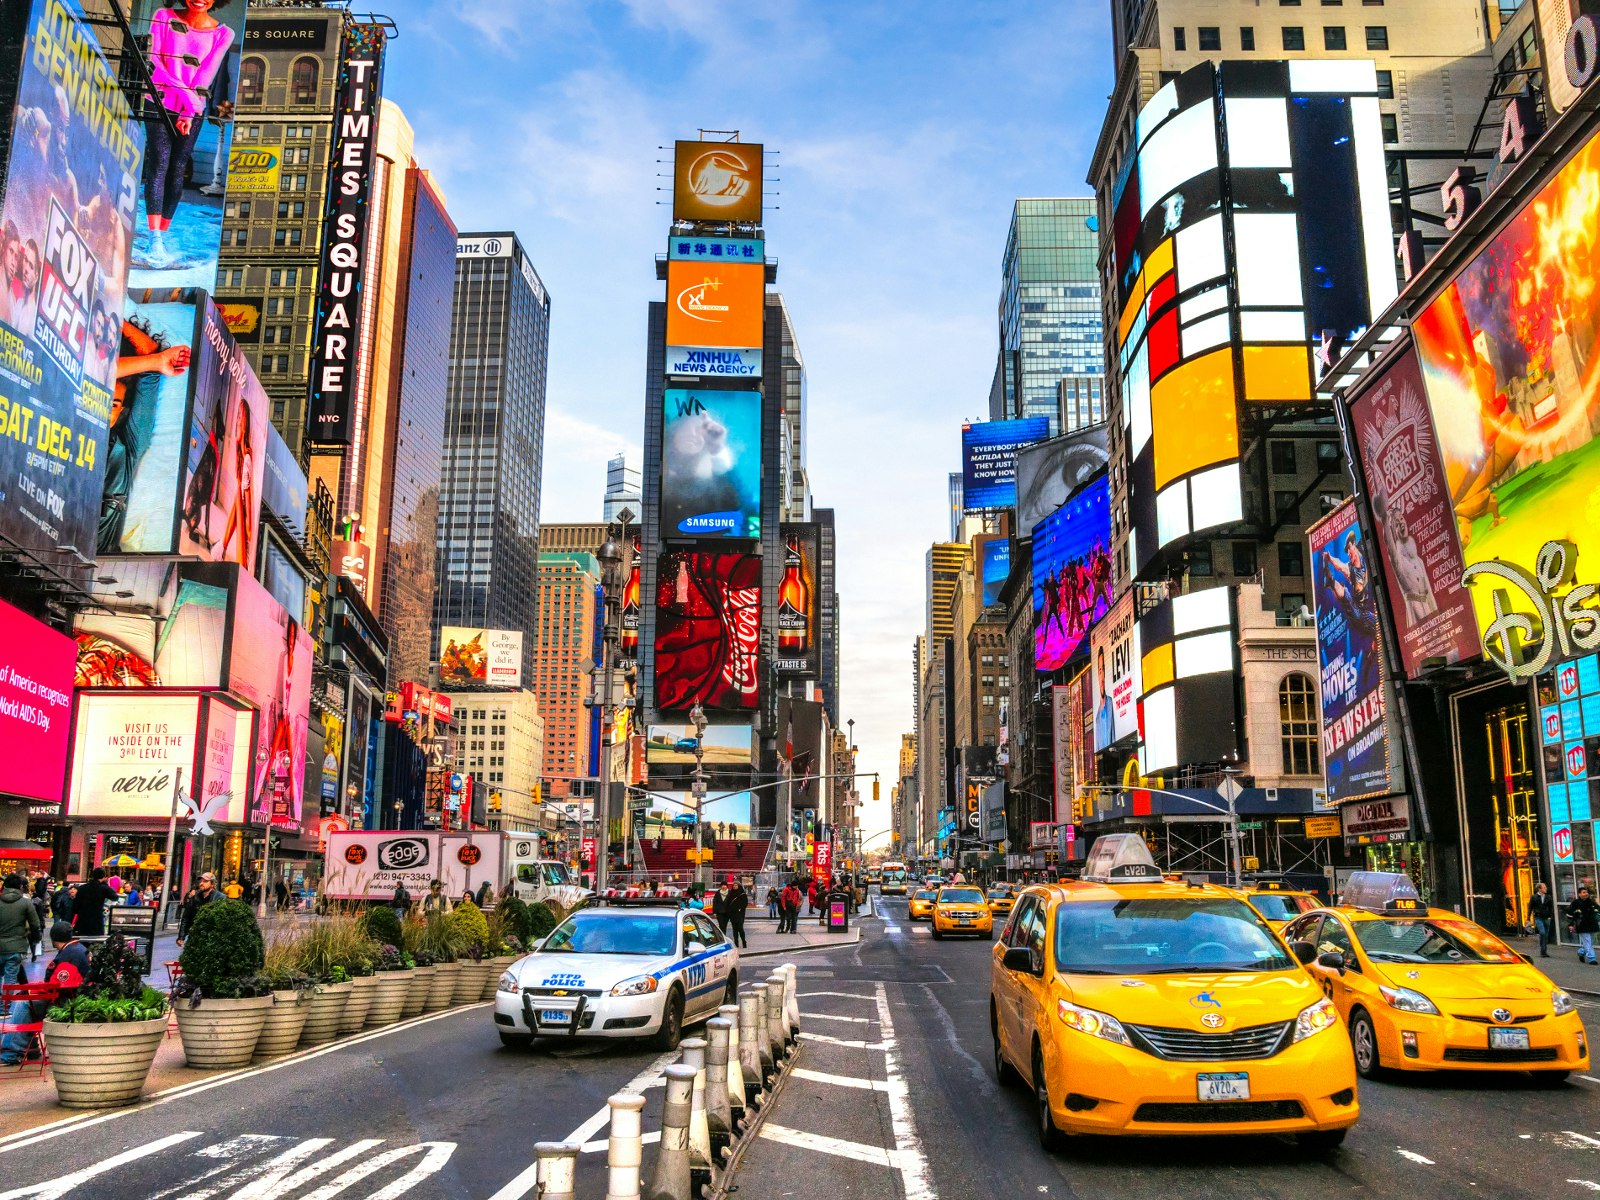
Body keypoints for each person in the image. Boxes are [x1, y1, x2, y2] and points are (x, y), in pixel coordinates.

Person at [140, 0, 236, 269]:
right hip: (158, 101)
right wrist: (187, 100)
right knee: (159, 162)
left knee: (178, 167)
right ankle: (154, 237)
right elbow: (155, 63)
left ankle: (164, 232)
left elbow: (206, 75)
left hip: (191, 109)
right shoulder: (163, 16)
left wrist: (189, 112)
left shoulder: (223, 33)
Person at [0, 922, 88, 1066]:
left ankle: (11, 1053)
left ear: (53, 939)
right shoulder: (77, 949)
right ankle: (31, 1047)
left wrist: (32, 991)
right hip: (73, 997)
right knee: (26, 999)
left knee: (23, 1003)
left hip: (67, 1002)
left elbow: (57, 986)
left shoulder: (70, 955)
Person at [0, 875, 41, 988]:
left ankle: (1, 1005)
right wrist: (36, 939)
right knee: (10, 980)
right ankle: (6, 1004)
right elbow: (35, 924)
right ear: (21, 886)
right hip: (16, 947)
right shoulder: (26, 903)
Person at [177, 872, 222, 947]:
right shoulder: (195, 897)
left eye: (205, 881)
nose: (201, 883)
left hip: (212, 939)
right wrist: (181, 937)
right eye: (201, 881)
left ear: (212, 884)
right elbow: (186, 918)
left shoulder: (220, 898)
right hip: (195, 936)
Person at [70, 869, 118, 938]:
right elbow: (115, 897)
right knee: (96, 941)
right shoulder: (103, 888)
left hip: (82, 920)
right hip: (96, 919)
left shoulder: (82, 888)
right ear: (103, 877)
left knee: (83, 941)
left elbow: (75, 906)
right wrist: (105, 884)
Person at [1570, 886, 1600, 965]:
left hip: (1592, 925)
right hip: (1582, 925)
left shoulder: (1591, 902)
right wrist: (1571, 924)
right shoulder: (1575, 903)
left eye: (1586, 892)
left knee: (1591, 941)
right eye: (1583, 892)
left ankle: (1581, 951)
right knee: (1587, 941)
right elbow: (1570, 914)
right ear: (1579, 894)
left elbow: (1598, 910)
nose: (1586, 894)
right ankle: (1592, 958)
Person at [1531, 882, 1555, 958]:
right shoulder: (1534, 897)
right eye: (1544, 888)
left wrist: (1551, 916)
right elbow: (1530, 907)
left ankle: (1544, 951)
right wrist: (1528, 918)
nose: (1546, 889)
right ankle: (1542, 950)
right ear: (1539, 889)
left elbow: (1551, 907)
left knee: (1546, 934)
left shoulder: (1548, 897)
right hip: (1538, 917)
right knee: (1542, 932)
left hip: (1547, 917)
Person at [726, 878, 749, 949]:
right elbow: (728, 903)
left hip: (740, 914)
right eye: (734, 885)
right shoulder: (730, 893)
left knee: (740, 928)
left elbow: (745, 903)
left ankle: (744, 941)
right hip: (732, 914)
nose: (735, 886)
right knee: (734, 929)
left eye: (736, 885)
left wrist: (740, 908)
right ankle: (736, 943)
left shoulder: (742, 894)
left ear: (739, 886)